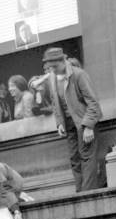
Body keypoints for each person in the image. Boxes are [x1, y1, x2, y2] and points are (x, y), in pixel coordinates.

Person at [42, 47, 103, 192]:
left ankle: (87, 194)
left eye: (55, 66)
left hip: (83, 122)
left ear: (64, 61)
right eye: (50, 67)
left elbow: (93, 102)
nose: (53, 70)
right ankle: (80, 191)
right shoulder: (52, 77)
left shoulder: (79, 75)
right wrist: (59, 123)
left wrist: (88, 127)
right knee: (74, 159)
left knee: (87, 157)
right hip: (69, 125)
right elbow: (55, 102)